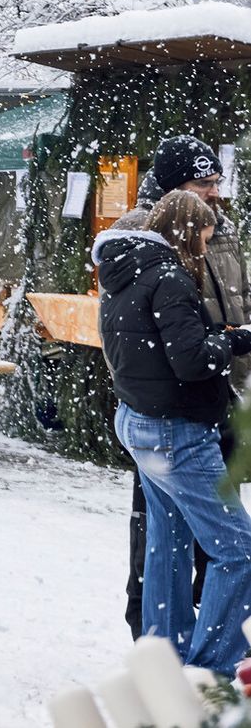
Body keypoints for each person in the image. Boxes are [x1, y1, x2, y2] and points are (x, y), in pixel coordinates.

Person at [100, 188, 251, 674]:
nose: (208, 246)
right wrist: (229, 347)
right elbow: (191, 361)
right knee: (240, 550)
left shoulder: (125, 272)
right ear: (188, 232)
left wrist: (220, 339)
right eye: (206, 235)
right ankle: (212, 669)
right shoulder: (169, 279)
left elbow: (155, 347)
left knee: (169, 544)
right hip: (175, 432)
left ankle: (163, 658)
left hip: (139, 422)